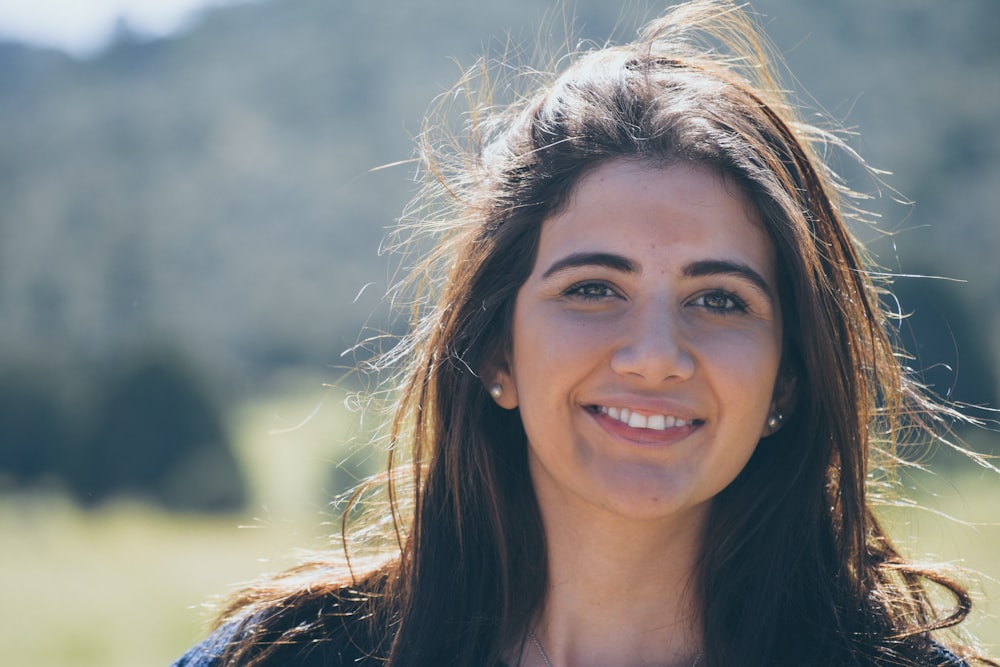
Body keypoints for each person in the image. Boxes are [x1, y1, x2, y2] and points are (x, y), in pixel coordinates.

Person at [172, 1, 996, 665]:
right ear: (497, 350)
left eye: (719, 300)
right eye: (594, 288)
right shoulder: (280, 658)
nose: (654, 355)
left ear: (786, 379)